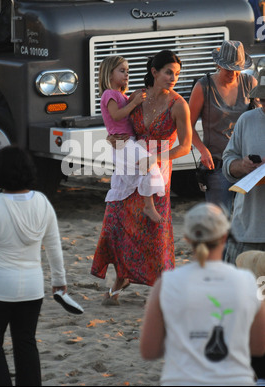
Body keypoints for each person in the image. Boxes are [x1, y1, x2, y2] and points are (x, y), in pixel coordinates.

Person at [91, 49, 192, 304]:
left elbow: (185, 146)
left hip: (156, 172)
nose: (173, 78)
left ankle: (165, 292)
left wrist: (156, 158)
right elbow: (116, 122)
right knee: (117, 225)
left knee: (153, 235)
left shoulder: (179, 105)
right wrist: (110, 138)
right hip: (129, 167)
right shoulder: (136, 96)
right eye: (169, 72)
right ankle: (119, 281)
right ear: (154, 72)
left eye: (177, 74)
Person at [0, 145, 67, 386]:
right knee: (25, 342)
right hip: (32, 288)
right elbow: (54, 247)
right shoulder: (42, 202)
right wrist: (58, 282)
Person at [140, 202, 265, 386]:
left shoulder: (167, 284)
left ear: (187, 238)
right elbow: (258, 346)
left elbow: (149, 351)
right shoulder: (246, 281)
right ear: (224, 237)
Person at [189, 40, 257, 215]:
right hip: (217, 164)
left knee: (248, 219)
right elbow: (187, 125)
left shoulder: (250, 83)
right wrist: (202, 150)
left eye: (237, 70)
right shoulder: (203, 86)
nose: (233, 74)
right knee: (219, 223)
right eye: (228, 69)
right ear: (218, 65)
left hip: (247, 163)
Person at [99, 55, 166, 223]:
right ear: (109, 74)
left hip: (127, 142)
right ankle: (148, 205)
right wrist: (134, 103)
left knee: (130, 176)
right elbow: (115, 115)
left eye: (127, 71)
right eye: (122, 71)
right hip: (123, 142)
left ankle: (125, 212)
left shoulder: (121, 95)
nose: (126, 75)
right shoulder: (109, 94)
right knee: (148, 164)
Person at [222, 68, 265, 265]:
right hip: (247, 228)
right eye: (261, 100)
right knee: (242, 293)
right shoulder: (246, 120)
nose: (264, 105)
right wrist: (242, 165)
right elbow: (228, 162)